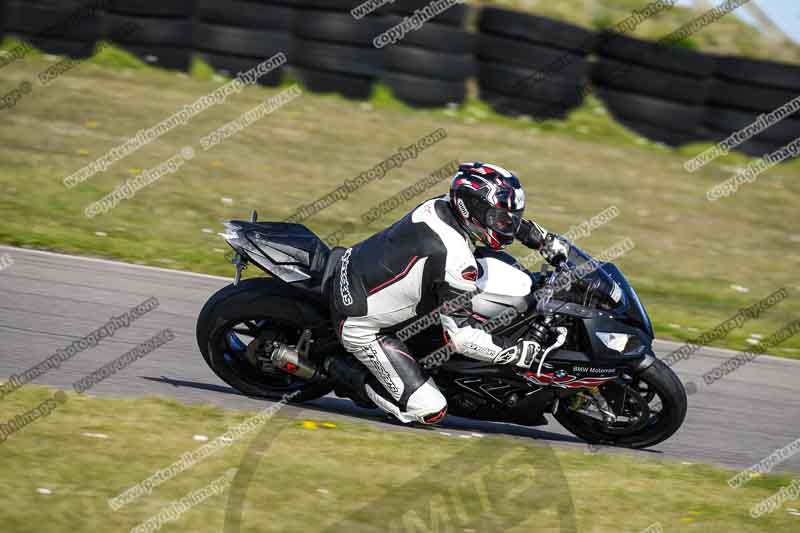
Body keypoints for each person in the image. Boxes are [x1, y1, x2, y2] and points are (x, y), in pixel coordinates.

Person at [324, 162, 570, 425]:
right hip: (359, 323)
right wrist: (517, 353)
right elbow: (462, 339)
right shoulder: (457, 260)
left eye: (509, 219)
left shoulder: (442, 206)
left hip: (358, 266)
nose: (506, 226)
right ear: (471, 209)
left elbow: (499, 220)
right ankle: (338, 369)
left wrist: (541, 240)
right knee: (430, 409)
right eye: (499, 219)